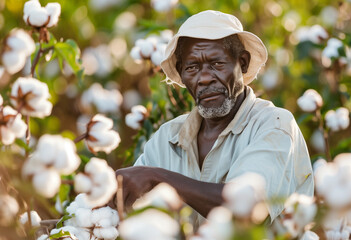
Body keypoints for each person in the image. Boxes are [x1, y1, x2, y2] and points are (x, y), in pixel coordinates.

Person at [116, 10, 314, 228]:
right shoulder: (167, 138)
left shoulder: (274, 124)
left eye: (217, 64)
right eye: (192, 67)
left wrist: (157, 178)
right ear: (182, 75)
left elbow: (245, 211)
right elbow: (130, 205)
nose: (205, 78)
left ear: (243, 63)